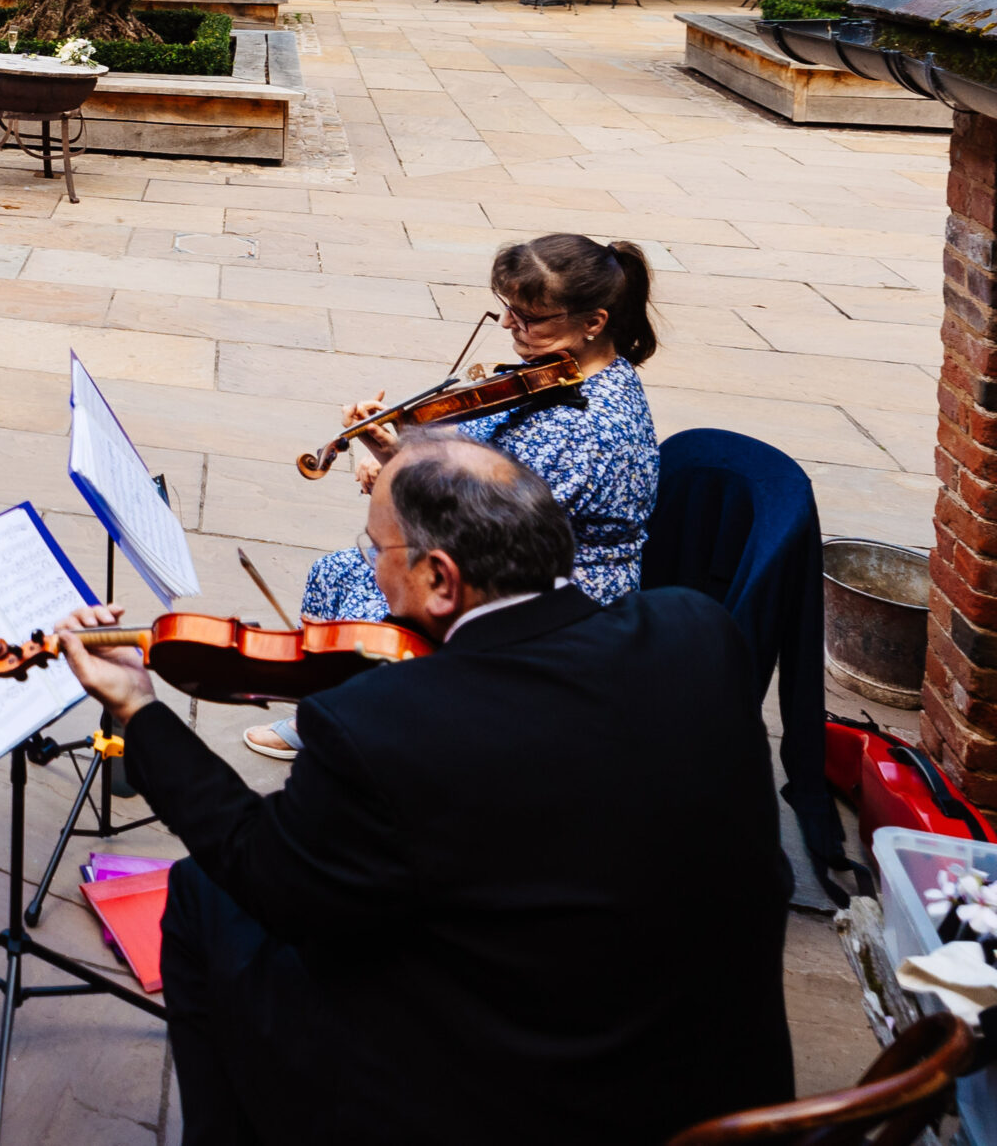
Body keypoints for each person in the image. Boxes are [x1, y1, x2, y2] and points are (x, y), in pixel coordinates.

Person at [57, 434, 791, 1146]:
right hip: (727, 1098)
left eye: (378, 551)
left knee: (202, 898)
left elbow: (266, 873)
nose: (371, 571)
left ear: (441, 578)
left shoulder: (382, 729)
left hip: (537, 1111)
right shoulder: (699, 631)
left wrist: (139, 709)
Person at [250, 232, 661, 759]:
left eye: (530, 317)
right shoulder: (560, 374)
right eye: (508, 309)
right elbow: (483, 461)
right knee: (339, 570)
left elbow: (486, 529)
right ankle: (335, 708)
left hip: (558, 589)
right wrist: (397, 444)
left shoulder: (587, 428)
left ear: (593, 323)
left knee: (374, 598)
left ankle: (366, 732)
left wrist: (396, 471)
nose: (511, 325)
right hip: (510, 548)